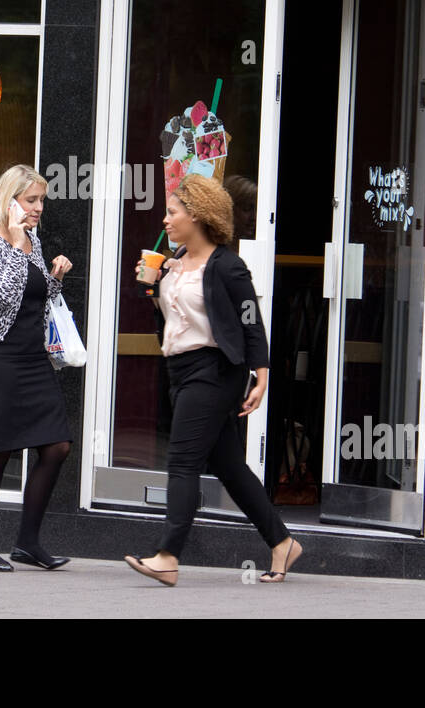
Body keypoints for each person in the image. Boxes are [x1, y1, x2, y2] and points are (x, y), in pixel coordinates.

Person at [125, 174, 300, 586]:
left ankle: (168, 555)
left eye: (173, 212)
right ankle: (282, 542)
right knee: (228, 466)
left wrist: (261, 376)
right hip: (179, 370)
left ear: (198, 216)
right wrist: (153, 289)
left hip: (215, 371)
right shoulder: (175, 263)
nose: (166, 220)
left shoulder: (227, 266)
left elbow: (250, 321)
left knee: (182, 460)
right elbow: (174, 319)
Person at [0, 164, 73, 572]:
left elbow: (35, 297)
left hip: (32, 358)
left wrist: (56, 277)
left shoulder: (35, 241)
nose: (39, 208)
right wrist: (13, 241)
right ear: (9, 202)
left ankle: (28, 542)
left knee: (58, 445)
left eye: (41, 200)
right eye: (31, 200)